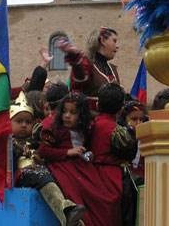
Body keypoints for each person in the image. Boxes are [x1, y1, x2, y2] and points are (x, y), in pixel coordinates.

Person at [10, 92, 86, 226]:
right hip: (23, 173)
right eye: (19, 121)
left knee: (60, 179)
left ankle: (72, 217)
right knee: (44, 180)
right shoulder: (10, 143)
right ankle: (66, 212)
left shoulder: (35, 140)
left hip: (41, 171)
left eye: (28, 122)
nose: (23, 125)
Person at [38, 93, 113, 226]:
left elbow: (86, 147)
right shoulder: (56, 130)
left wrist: (88, 154)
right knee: (75, 195)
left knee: (100, 198)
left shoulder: (85, 131)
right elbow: (43, 151)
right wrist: (67, 152)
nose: (67, 116)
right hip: (64, 168)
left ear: (82, 115)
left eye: (73, 112)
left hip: (84, 168)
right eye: (65, 111)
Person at [90, 83, 137, 226]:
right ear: (121, 110)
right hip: (112, 179)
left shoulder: (90, 125)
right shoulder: (116, 130)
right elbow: (129, 153)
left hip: (91, 177)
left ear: (98, 105)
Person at [57, 27, 120, 111]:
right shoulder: (87, 64)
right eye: (114, 41)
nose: (117, 46)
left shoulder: (112, 68)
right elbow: (79, 80)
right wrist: (75, 57)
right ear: (103, 40)